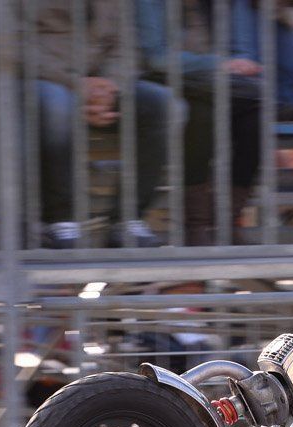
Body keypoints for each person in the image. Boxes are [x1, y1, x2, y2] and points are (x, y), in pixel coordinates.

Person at [33, 1, 180, 248]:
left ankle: (127, 218)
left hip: (101, 82)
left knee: (165, 104)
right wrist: (75, 83)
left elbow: (126, 45)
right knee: (57, 105)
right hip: (42, 77)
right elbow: (14, 44)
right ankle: (60, 219)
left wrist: (109, 85)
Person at [138, 0, 262, 244]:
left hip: (219, 83)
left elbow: (243, 52)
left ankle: (228, 220)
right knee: (200, 115)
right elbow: (157, 58)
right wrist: (220, 64)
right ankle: (196, 224)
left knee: (256, 116)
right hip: (171, 80)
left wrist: (236, 64)